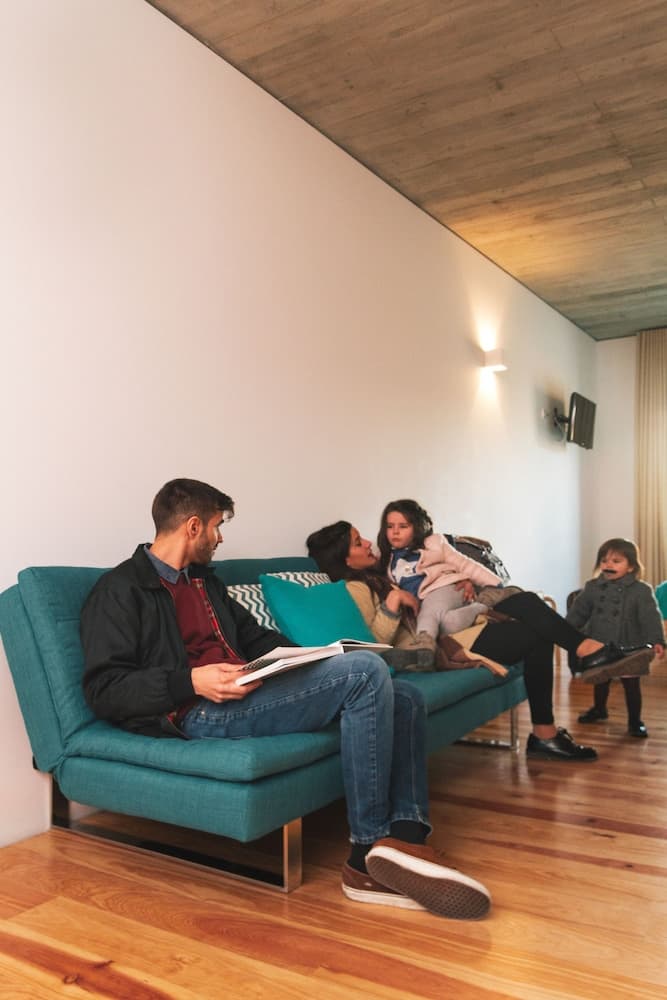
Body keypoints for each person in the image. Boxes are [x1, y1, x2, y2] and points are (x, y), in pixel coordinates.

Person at [80, 478, 491, 920]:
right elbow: (105, 689)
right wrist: (191, 682)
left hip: (246, 692)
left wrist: (310, 658)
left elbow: (256, 638)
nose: (221, 538)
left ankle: (406, 839)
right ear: (194, 527)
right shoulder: (120, 589)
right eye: (217, 527)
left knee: (403, 694)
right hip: (198, 710)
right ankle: (365, 856)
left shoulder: (203, 582)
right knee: (367, 674)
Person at [306, 521, 656, 763]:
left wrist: (460, 585)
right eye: (358, 542)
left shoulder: (385, 570)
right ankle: (576, 670)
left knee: (525, 603)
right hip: (437, 647)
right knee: (532, 623)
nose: (369, 542)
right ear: (345, 559)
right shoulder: (356, 588)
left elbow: (430, 585)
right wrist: (393, 603)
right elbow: (373, 643)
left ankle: (575, 672)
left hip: (451, 626)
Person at [376, 499, 520, 645]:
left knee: (428, 615)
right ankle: (483, 605)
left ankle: (424, 645)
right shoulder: (387, 558)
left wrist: (495, 583)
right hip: (427, 601)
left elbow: (465, 564)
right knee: (448, 625)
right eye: (390, 526)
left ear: (417, 527)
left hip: (446, 587)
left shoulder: (433, 543)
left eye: (403, 526)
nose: (395, 531)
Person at [567, 538, 664, 738]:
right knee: (601, 678)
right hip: (599, 642)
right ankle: (599, 709)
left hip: (630, 645)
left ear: (631, 567)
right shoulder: (593, 587)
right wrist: (565, 631)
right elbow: (579, 612)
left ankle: (635, 720)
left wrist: (657, 640)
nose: (608, 565)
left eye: (616, 561)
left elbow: (650, 617)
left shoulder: (641, 590)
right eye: (604, 560)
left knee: (631, 684)